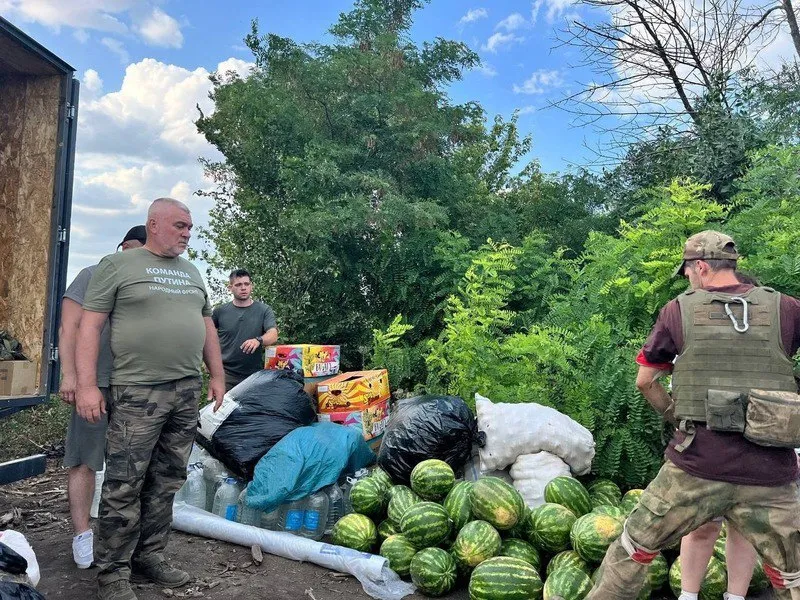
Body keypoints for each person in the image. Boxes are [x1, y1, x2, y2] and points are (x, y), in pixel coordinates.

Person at [587, 230, 800, 600]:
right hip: (771, 472)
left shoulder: (678, 310)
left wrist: (674, 416)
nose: (688, 279)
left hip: (697, 465)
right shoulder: (787, 308)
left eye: (687, 271)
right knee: (792, 576)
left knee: (632, 547)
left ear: (700, 266)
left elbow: (645, 381)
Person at [75, 198, 225, 600]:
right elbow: (89, 326)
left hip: (185, 390)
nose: (187, 233)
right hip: (137, 391)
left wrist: (217, 376)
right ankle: (112, 572)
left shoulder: (192, 272)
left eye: (190, 227)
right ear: (153, 224)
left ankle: (150, 555)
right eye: (180, 225)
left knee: (167, 479)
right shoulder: (118, 266)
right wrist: (87, 385)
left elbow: (206, 324)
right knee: (125, 482)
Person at [60, 226, 147, 569]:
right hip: (93, 382)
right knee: (84, 458)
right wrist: (72, 377)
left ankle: (124, 537)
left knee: (132, 464)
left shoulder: (143, 282)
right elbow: (70, 327)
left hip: (135, 385)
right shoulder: (92, 274)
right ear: (125, 246)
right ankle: (82, 533)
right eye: (140, 251)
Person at [676, 270, 763, 600]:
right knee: (703, 524)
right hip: (708, 446)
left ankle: (736, 597)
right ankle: (688, 595)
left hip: (757, 446)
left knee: (743, 527)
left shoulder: (766, 338)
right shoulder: (698, 327)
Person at [212, 269, 278, 391]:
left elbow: (273, 334)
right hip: (226, 375)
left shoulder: (263, 310)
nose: (243, 288)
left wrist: (259, 340)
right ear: (230, 287)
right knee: (223, 410)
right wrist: (209, 364)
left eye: (246, 284)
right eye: (238, 285)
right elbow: (207, 337)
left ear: (251, 286)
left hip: (254, 376)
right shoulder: (220, 312)